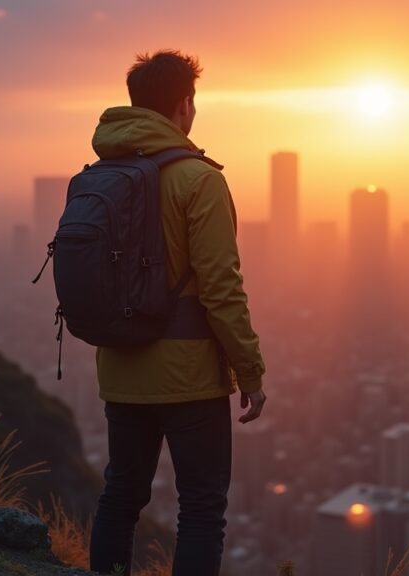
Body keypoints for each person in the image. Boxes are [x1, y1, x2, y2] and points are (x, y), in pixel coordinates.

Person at [88, 50, 267, 576]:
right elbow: (221, 290)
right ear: (184, 104)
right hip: (189, 378)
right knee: (202, 509)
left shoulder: (103, 177)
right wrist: (250, 371)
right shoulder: (198, 179)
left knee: (121, 496)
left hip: (121, 369)